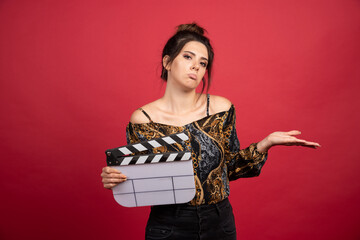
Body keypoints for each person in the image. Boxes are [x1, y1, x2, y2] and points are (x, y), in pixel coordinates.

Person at [101, 23, 320, 240]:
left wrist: (266, 143)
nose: (196, 66)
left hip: (219, 221)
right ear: (167, 62)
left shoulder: (221, 109)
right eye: (188, 57)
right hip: (168, 224)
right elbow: (144, 182)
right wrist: (117, 179)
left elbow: (231, 169)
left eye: (203, 62)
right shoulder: (143, 119)